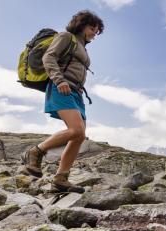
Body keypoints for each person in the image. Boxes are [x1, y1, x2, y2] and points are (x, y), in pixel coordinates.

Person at [21, 10, 104, 193]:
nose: (94, 34)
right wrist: (59, 80)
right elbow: (48, 57)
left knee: (80, 136)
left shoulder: (83, 46)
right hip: (61, 87)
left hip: (76, 92)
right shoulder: (66, 36)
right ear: (81, 25)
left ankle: (61, 179)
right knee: (76, 130)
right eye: (92, 28)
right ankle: (35, 151)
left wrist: (79, 87)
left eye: (97, 31)